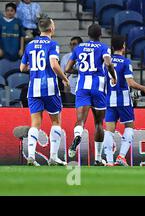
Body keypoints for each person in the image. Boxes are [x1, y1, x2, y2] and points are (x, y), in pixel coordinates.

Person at [19, 17, 70, 166]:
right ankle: (53, 157)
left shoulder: (30, 45)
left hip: (33, 88)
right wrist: (65, 78)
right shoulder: (52, 44)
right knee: (55, 121)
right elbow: (54, 65)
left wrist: (35, 67)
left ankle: (31, 157)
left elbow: (22, 68)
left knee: (35, 123)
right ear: (51, 28)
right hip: (49, 88)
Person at [65, 23, 117, 166]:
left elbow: (67, 68)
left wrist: (81, 71)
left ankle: (77, 136)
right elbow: (108, 63)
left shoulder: (78, 48)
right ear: (100, 35)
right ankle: (98, 158)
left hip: (82, 87)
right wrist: (114, 76)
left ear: (88, 35)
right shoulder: (103, 47)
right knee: (99, 123)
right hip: (98, 87)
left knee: (80, 120)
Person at [103, 36, 145, 166]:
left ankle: (109, 161)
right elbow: (130, 82)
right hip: (124, 100)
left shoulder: (105, 62)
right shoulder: (125, 62)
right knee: (129, 127)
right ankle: (121, 156)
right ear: (124, 46)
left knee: (109, 130)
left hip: (109, 99)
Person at [59, 36, 83, 106]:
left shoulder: (85, 56)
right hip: (70, 89)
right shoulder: (65, 57)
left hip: (82, 88)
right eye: (71, 44)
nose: (72, 46)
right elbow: (62, 74)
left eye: (74, 44)